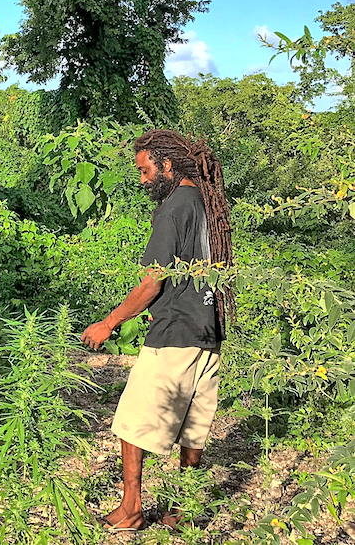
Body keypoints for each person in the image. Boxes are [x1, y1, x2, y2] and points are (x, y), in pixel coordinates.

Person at [81, 129, 235, 532]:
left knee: (130, 422)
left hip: (175, 333)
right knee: (194, 427)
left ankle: (131, 508)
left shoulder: (171, 210)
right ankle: (181, 511)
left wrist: (109, 322)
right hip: (209, 330)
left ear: (166, 165)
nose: (144, 179)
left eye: (146, 170)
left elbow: (152, 282)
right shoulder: (208, 204)